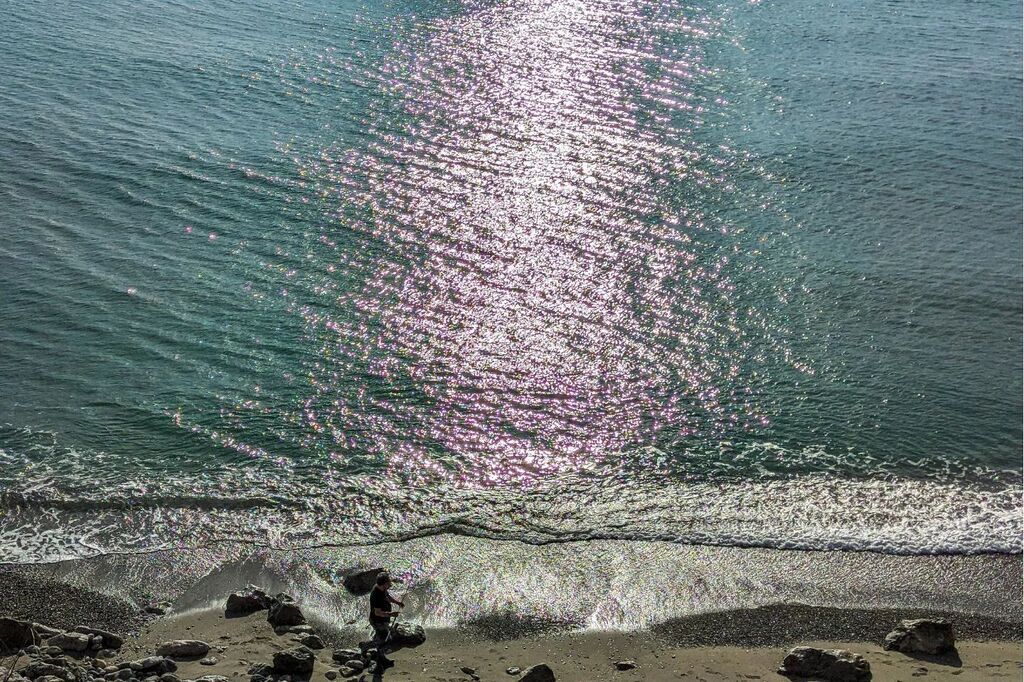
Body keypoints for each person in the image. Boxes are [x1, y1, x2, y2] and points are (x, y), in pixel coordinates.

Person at [369, 573, 404, 670]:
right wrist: (391, 614)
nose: (390, 583)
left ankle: (378, 656)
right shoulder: (376, 595)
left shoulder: (382, 588)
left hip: (383, 619)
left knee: (381, 638)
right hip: (377, 621)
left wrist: (397, 602)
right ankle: (379, 661)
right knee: (385, 640)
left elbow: (387, 597)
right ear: (384, 583)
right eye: (388, 581)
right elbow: (377, 613)